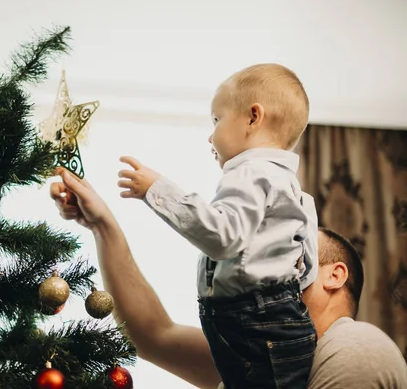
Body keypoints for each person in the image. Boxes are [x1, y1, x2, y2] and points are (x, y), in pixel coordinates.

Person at [50, 167, 407, 389]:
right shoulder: (257, 356)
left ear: (334, 275)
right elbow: (152, 335)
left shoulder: (356, 346)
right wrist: (100, 223)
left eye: (289, 254)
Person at [117, 64, 318, 388]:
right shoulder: (292, 187)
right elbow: (307, 264)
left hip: (254, 321)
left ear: (254, 117)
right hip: (273, 319)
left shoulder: (251, 172)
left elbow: (224, 237)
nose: (211, 135)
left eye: (217, 119)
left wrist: (156, 190)